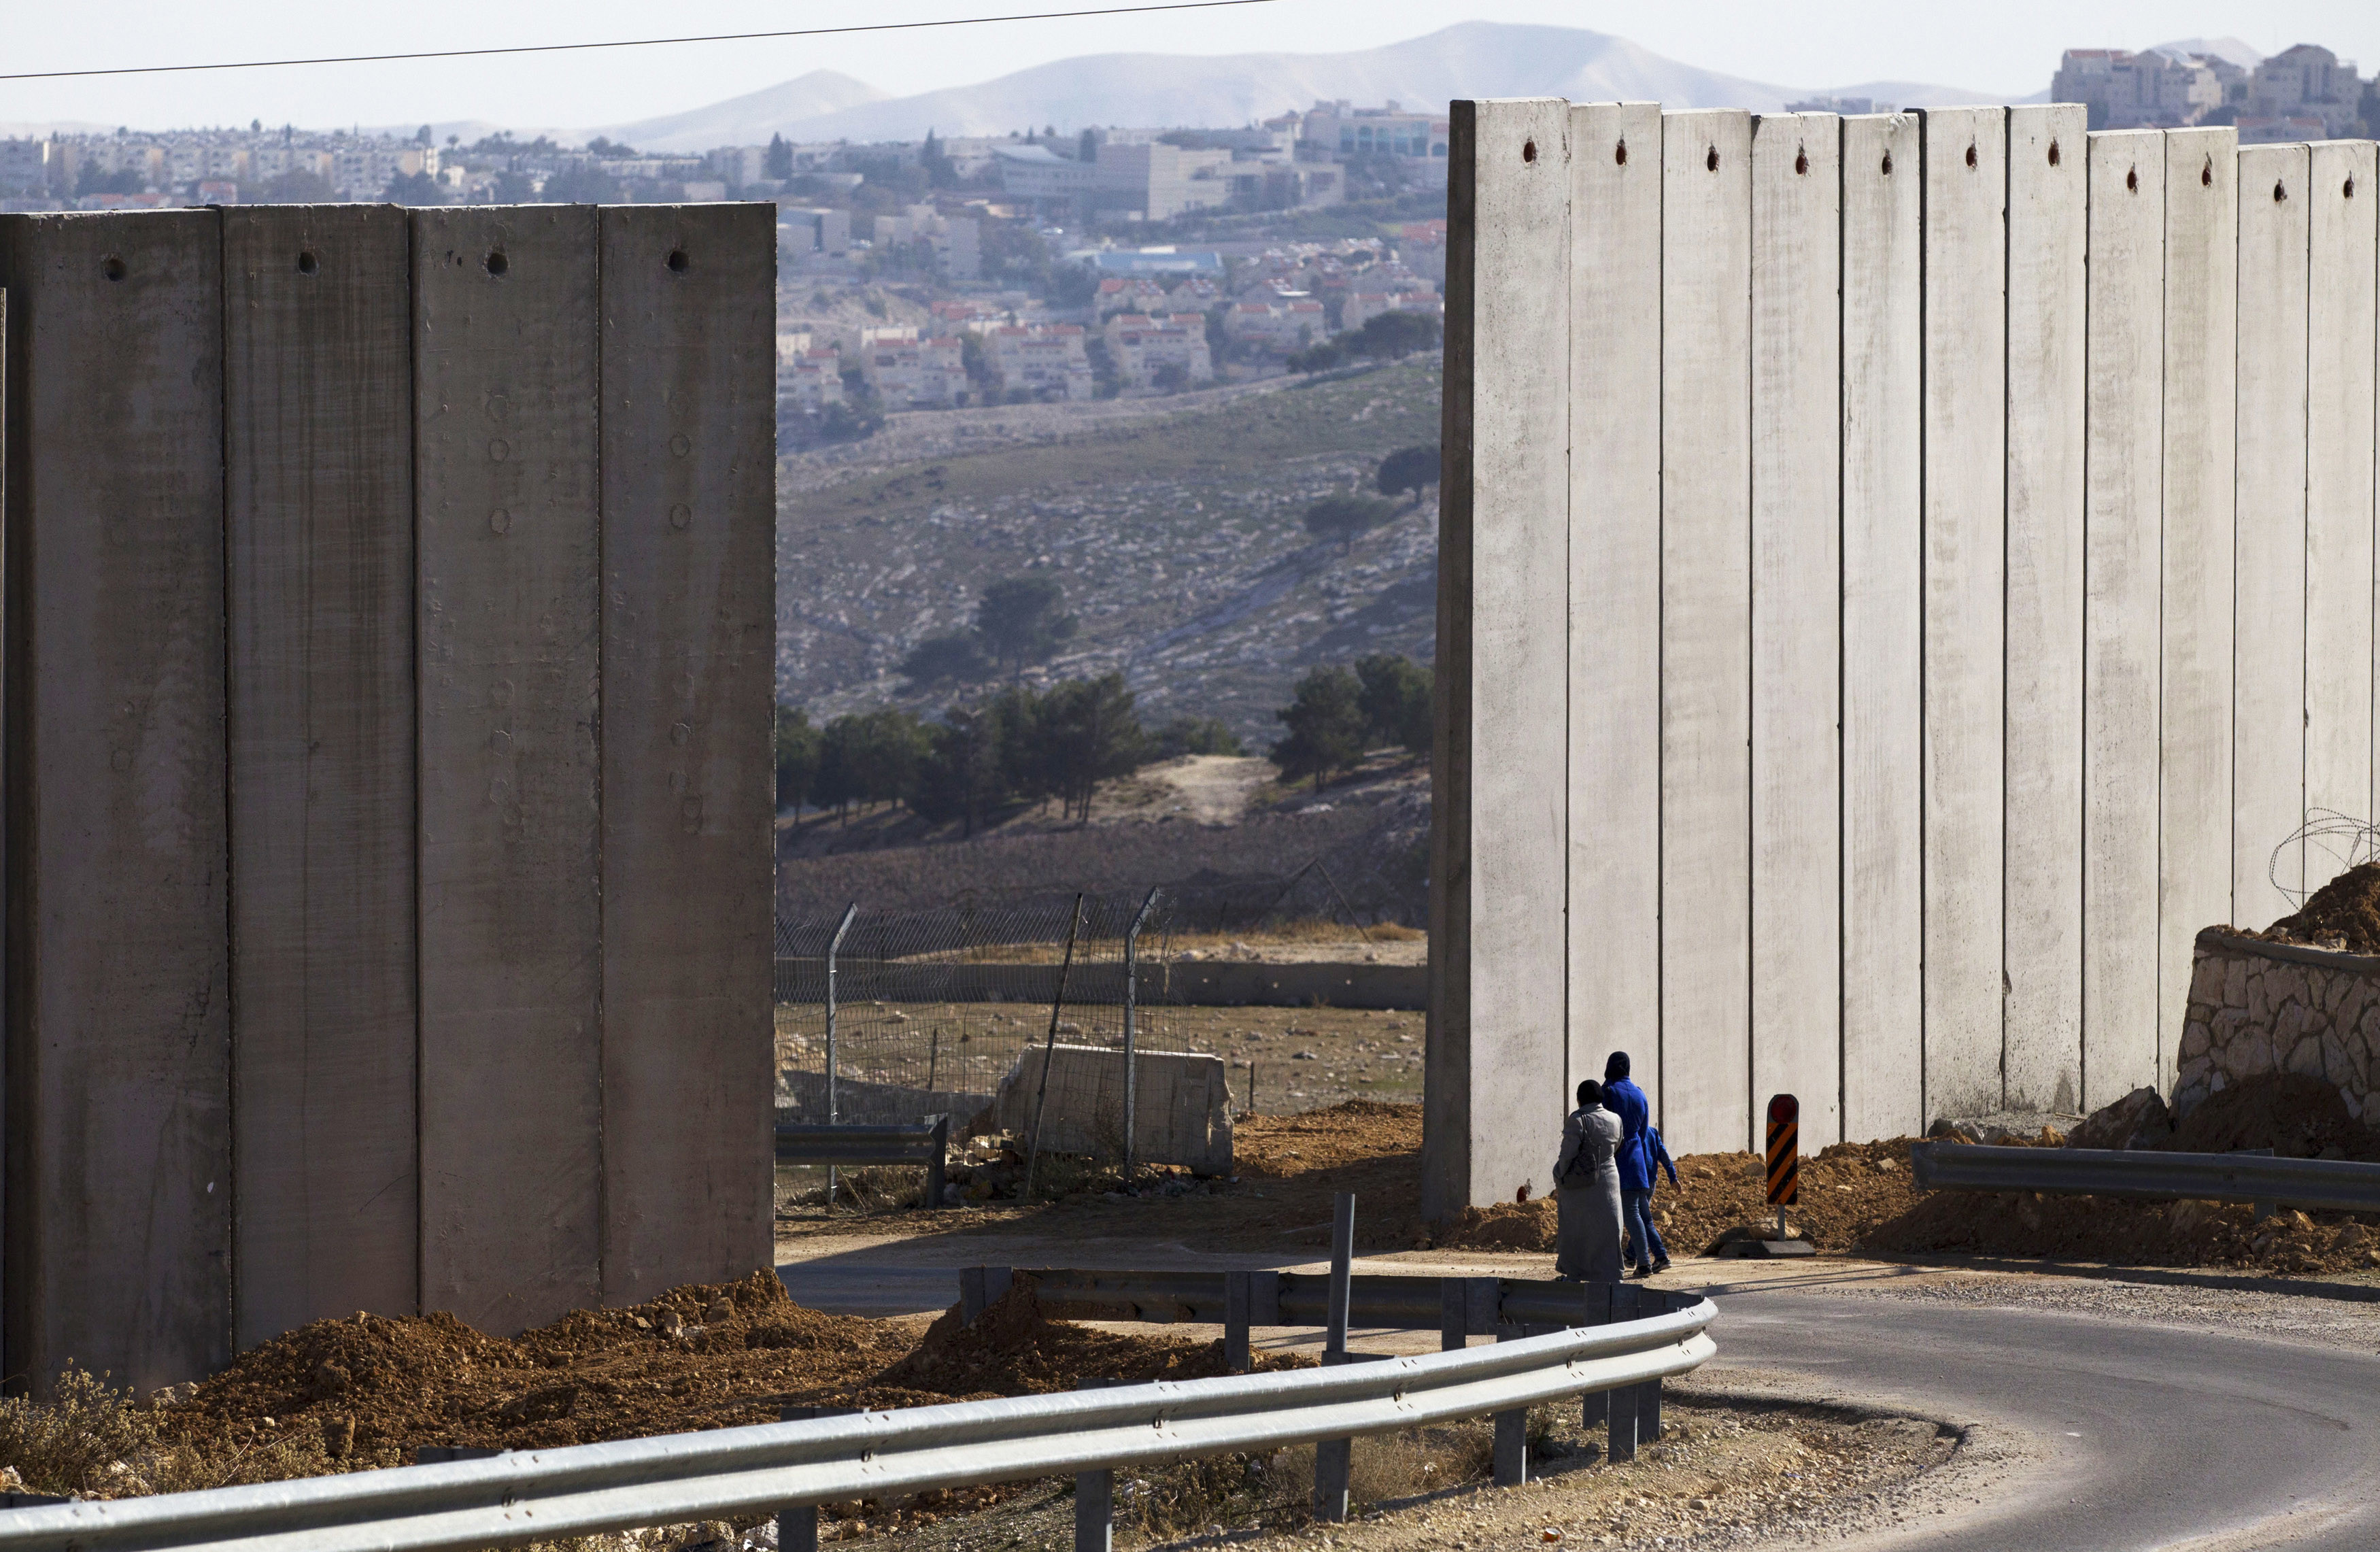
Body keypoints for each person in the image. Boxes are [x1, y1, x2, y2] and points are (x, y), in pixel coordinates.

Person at [1603, 1051, 1676, 1276]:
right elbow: (1643, 1131)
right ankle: (1639, 1260)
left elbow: (1604, 1125)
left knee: (1630, 1213)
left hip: (1617, 1158)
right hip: (1637, 1159)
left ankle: (1643, 1263)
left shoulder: (1609, 1091)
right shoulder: (1639, 1094)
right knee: (1636, 1212)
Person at [1551, 1079, 1624, 1283]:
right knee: (1608, 1231)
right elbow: (1617, 1145)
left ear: (1580, 1099)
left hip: (1581, 1186)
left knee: (1578, 1231)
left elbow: (1568, 1154)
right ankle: (1610, 1276)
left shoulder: (1578, 1119)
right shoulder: (1615, 1119)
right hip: (1610, 1181)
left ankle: (1574, 1275)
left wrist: (1558, 1174)